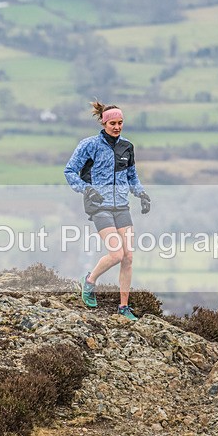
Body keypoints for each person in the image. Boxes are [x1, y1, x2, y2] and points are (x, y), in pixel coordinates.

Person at [64, 100, 150, 321]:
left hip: (121, 205)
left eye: (120, 123)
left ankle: (123, 307)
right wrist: (87, 189)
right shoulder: (89, 145)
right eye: (113, 123)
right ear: (103, 123)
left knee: (128, 257)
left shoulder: (127, 147)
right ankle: (89, 281)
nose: (117, 127)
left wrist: (141, 194)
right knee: (116, 254)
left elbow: (132, 176)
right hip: (99, 205)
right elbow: (70, 171)